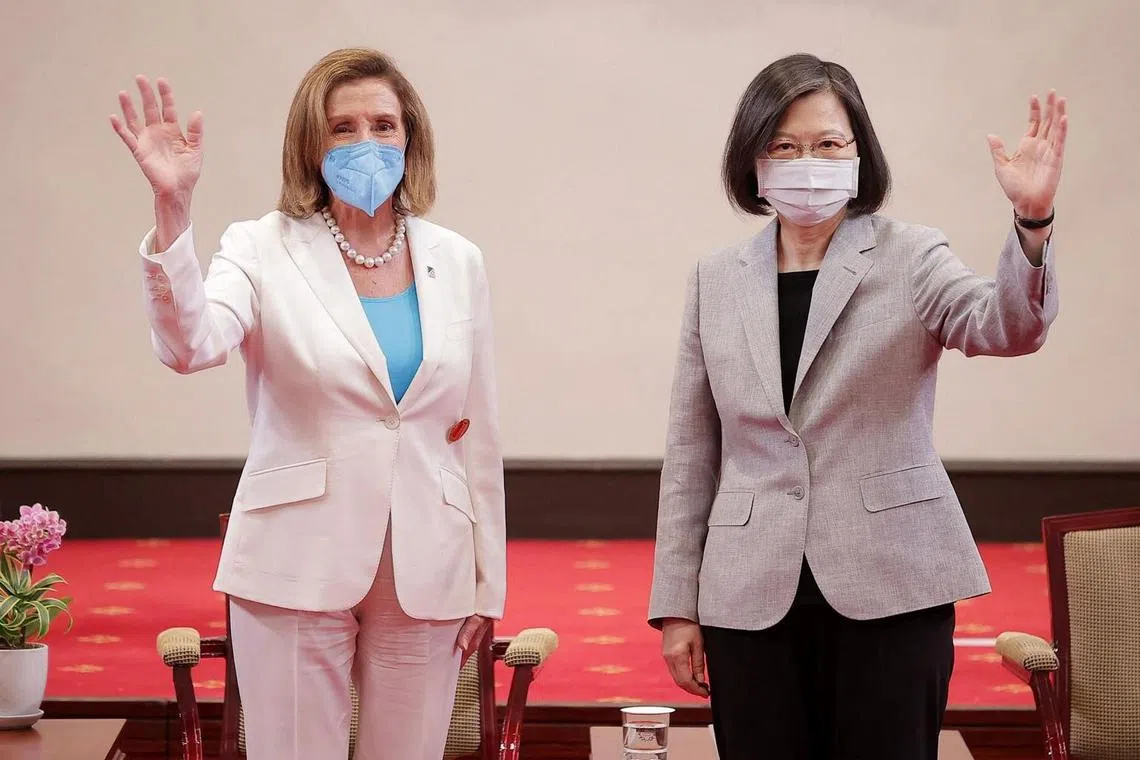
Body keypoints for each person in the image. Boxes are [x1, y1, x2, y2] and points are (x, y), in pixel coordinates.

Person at [647, 53, 1066, 760]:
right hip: (749, 591)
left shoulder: (911, 256)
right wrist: (677, 607)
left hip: (891, 584)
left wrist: (1032, 219)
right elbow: (692, 452)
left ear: (859, 154)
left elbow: (1007, 327)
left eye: (828, 144)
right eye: (783, 145)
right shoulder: (714, 279)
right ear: (752, 162)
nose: (806, 161)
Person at [109, 48, 505, 760]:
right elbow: (190, 345)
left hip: (429, 560)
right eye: (342, 128)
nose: (366, 144)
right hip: (295, 555)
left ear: (410, 137)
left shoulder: (459, 258)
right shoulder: (261, 247)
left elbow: (475, 429)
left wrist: (487, 579)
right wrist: (173, 207)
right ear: (310, 144)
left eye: (383, 125)